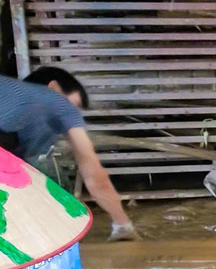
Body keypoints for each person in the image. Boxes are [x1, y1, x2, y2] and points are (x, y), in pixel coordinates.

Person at [0, 68, 138, 241]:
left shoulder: (16, 98)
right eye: (77, 105)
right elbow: (94, 174)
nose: (76, 114)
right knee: (57, 189)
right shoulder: (57, 102)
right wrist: (122, 223)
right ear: (54, 87)